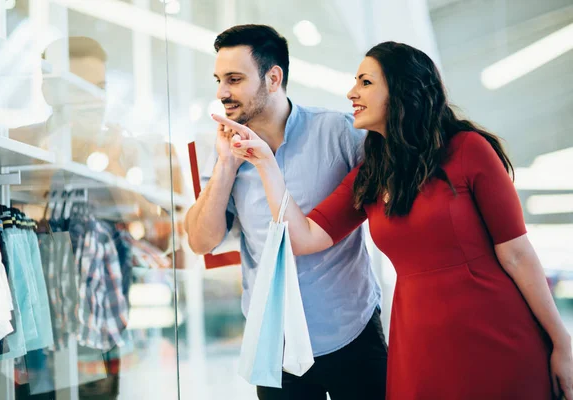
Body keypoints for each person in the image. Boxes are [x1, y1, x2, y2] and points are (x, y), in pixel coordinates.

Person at [213, 41, 573, 400]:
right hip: (417, 341)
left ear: (403, 89)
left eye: (366, 82)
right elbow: (302, 237)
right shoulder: (371, 175)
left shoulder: (468, 150)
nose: (352, 92)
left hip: (494, 330)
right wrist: (265, 163)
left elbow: (517, 254)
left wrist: (562, 343)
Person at [185, 24, 387, 399]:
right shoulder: (222, 150)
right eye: (218, 79)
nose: (221, 93)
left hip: (351, 331)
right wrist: (226, 166)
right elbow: (201, 241)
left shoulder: (339, 133)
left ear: (273, 78)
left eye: (234, 79)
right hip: (273, 342)